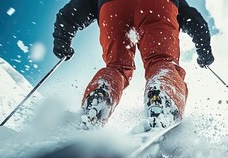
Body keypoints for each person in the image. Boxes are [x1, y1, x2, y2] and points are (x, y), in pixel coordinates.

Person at [53, 0, 214, 130]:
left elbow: (71, 13)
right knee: (162, 61)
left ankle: (101, 93)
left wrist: (62, 42)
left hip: (112, 7)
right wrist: (204, 50)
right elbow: (194, 19)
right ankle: (163, 95)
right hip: (159, 5)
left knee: (117, 66)